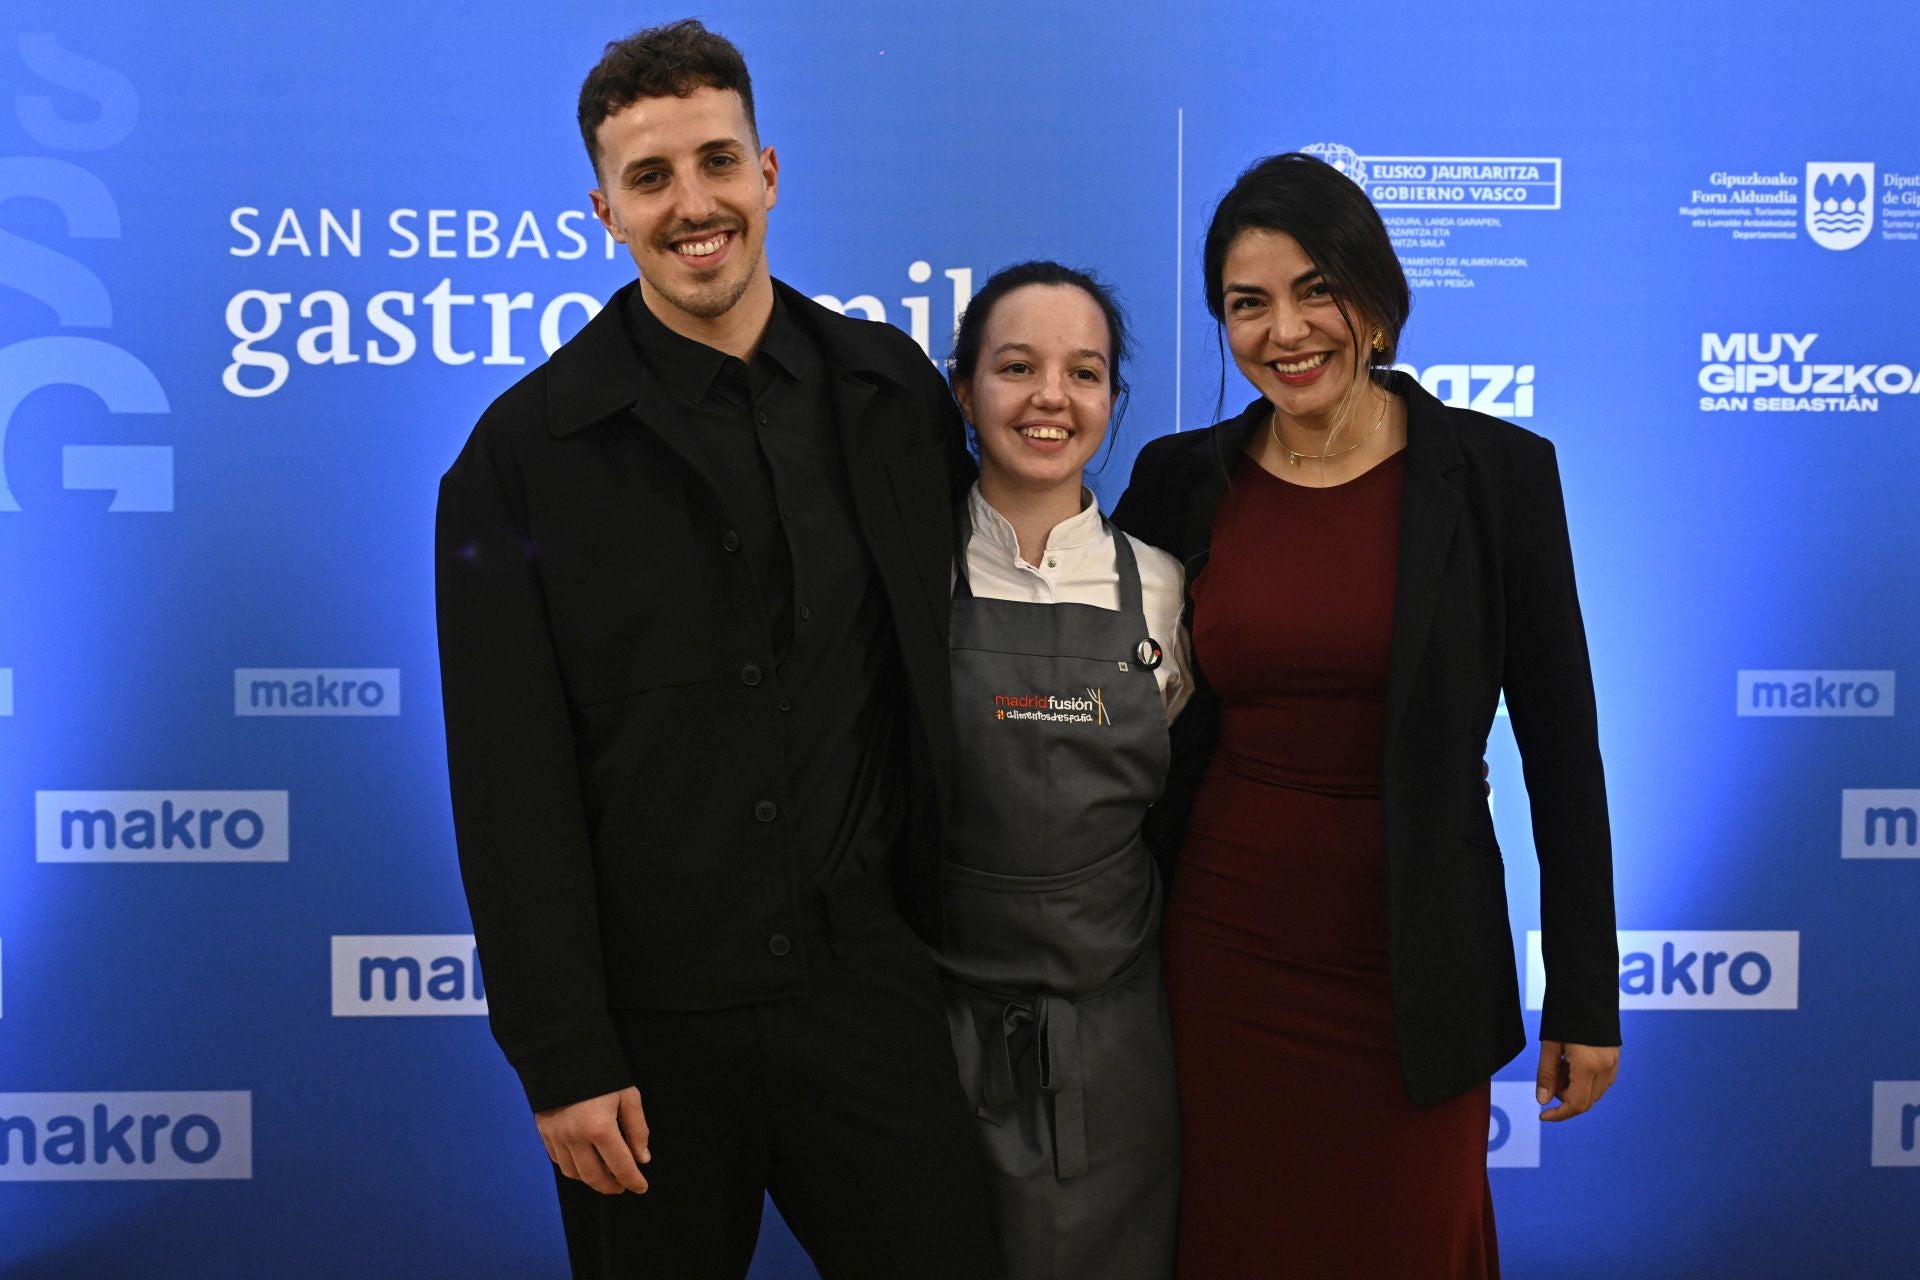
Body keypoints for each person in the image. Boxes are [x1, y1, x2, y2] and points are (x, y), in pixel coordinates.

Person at [433, 20, 1001, 1279]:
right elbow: (507, 782)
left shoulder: (888, 388)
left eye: (717, 161)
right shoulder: (517, 459)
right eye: (652, 178)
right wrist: (565, 1054)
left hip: (872, 997)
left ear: (769, 173)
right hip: (646, 1034)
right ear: (604, 210)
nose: (694, 204)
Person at [1112, 152, 1621, 1278]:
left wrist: (1586, 993)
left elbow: (1562, 750)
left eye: (1314, 289)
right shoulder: (1180, 478)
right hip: (1223, 953)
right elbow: (1118, 711)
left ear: (1377, 302)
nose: (1285, 329)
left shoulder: (1498, 475)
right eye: (1248, 303)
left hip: (1414, 968)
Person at [937, 262, 1191, 1278]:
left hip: (1119, 1044)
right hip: (937, 1031)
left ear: (1113, 401)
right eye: (1015, 367)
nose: (1052, 396)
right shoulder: (909, 574)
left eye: (1083, 372)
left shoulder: (1165, 590)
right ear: (963, 390)